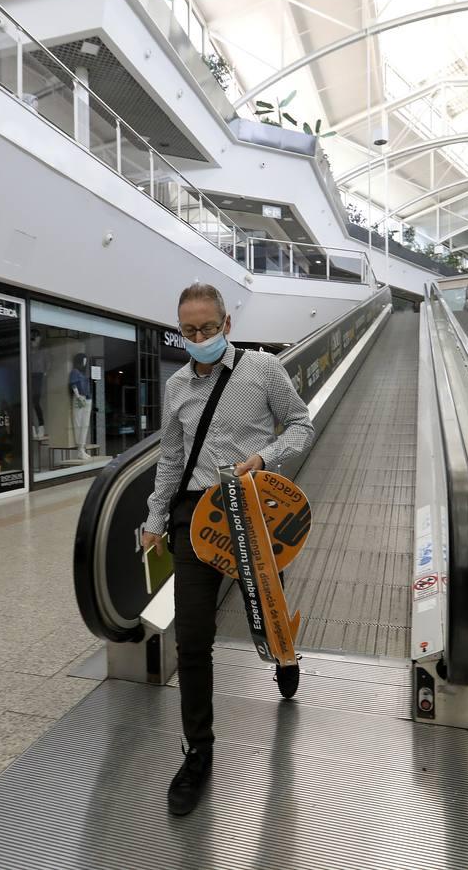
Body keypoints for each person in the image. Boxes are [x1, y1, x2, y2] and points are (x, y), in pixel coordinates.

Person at [142, 283, 314, 817]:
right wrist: (153, 519)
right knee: (192, 638)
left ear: (227, 326)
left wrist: (263, 459)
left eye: (208, 328)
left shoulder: (261, 369)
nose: (199, 338)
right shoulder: (175, 387)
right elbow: (171, 459)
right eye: (189, 331)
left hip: (255, 513)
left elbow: (303, 424)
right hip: (196, 520)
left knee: (271, 619)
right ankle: (198, 753)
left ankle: (284, 659)